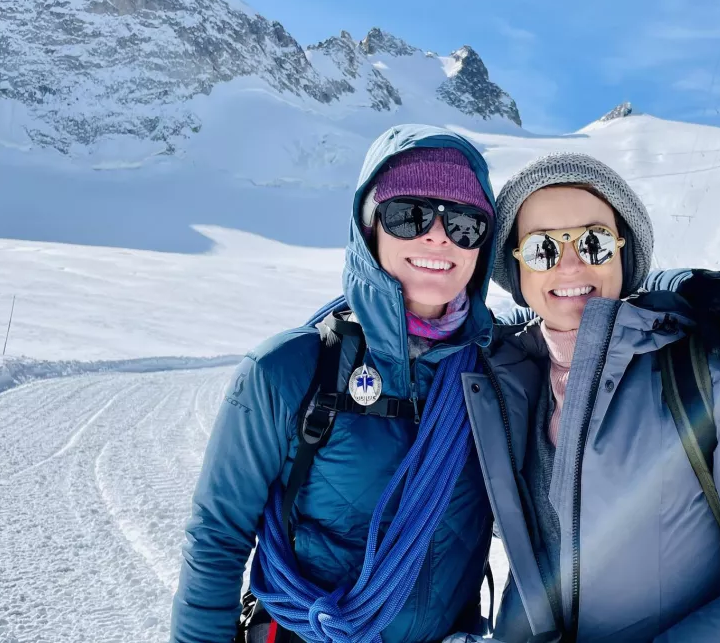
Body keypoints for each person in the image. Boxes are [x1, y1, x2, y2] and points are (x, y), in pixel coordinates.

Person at [466, 153, 720, 643]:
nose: (570, 264)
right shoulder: (503, 379)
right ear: (516, 271)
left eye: (595, 242)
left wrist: (696, 286)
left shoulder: (710, 373)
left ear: (624, 256)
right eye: (542, 249)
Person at [170, 125, 503, 643]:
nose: (439, 237)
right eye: (409, 215)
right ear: (369, 227)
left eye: (465, 224)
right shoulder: (289, 368)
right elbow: (217, 537)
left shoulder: (498, 368)